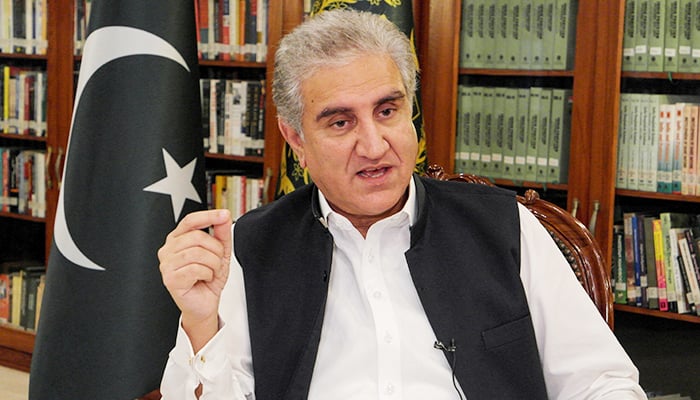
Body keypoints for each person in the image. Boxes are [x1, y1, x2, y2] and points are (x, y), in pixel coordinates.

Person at [158, 9, 647, 400]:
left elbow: (600, 383)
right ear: (296, 139)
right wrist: (202, 323)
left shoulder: (504, 225)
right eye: (341, 123)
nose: (374, 146)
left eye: (387, 111)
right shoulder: (248, 247)